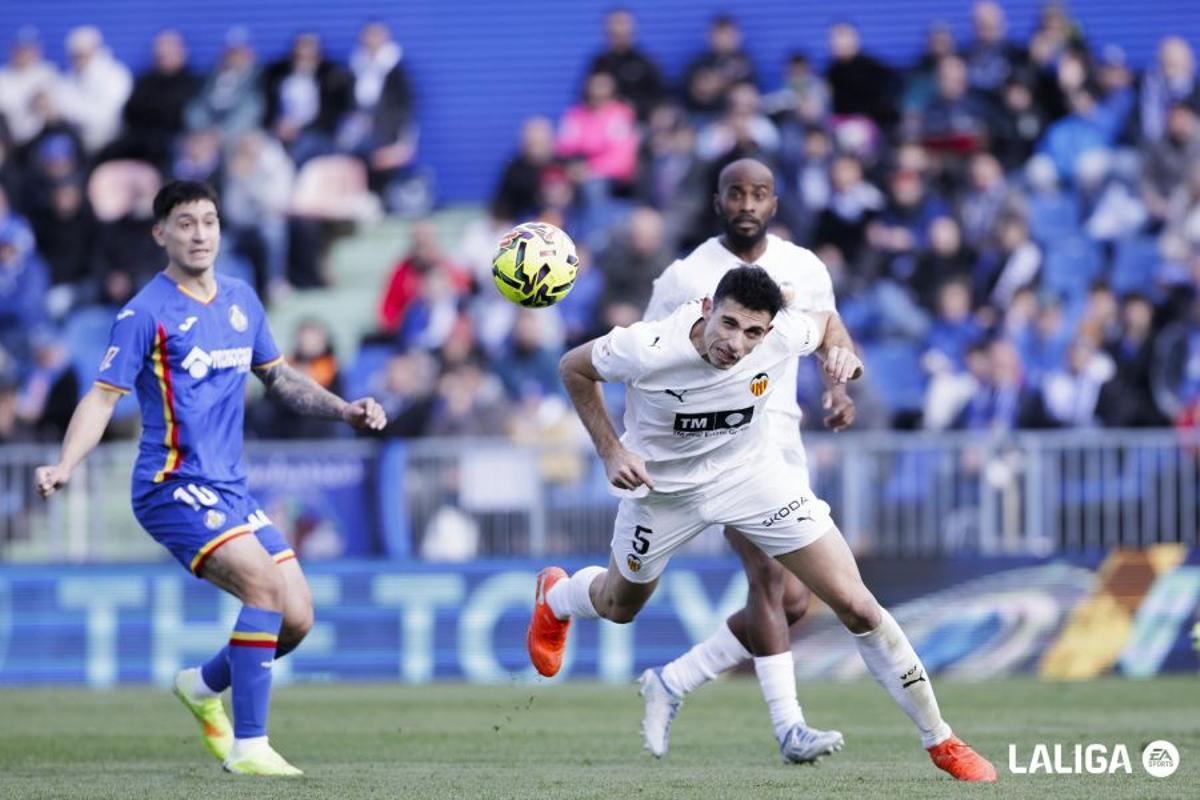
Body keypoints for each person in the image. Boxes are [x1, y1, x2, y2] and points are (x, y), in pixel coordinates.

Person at [529, 263, 997, 783]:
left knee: (859, 606)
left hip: (751, 478)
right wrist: (611, 451)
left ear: (768, 331)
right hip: (662, 494)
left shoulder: (780, 336)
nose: (736, 342)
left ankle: (942, 741)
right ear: (708, 309)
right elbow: (574, 367)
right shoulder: (647, 346)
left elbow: (823, 321)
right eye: (728, 324)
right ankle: (557, 597)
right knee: (619, 605)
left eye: (753, 332)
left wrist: (839, 349)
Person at [34, 181, 386, 775]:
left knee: (297, 618)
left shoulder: (242, 299)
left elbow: (281, 380)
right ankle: (249, 747)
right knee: (265, 591)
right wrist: (66, 464)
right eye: (185, 223)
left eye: (209, 222)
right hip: (170, 485)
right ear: (161, 234)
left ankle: (201, 686)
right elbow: (100, 398)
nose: (199, 234)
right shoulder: (144, 312)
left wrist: (344, 409)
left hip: (229, 488)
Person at [632, 159, 854, 764]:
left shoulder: (802, 267)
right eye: (737, 194)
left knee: (794, 602)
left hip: (784, 433)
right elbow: (652, 357)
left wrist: (837, 391)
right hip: (727, 441)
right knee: (765, 577)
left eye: (758, 194)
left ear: (774, 204)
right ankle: (791, 729)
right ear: (719, 201)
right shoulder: (686, 275)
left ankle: (672, 681)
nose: (747, 204)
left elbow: (829, 331)